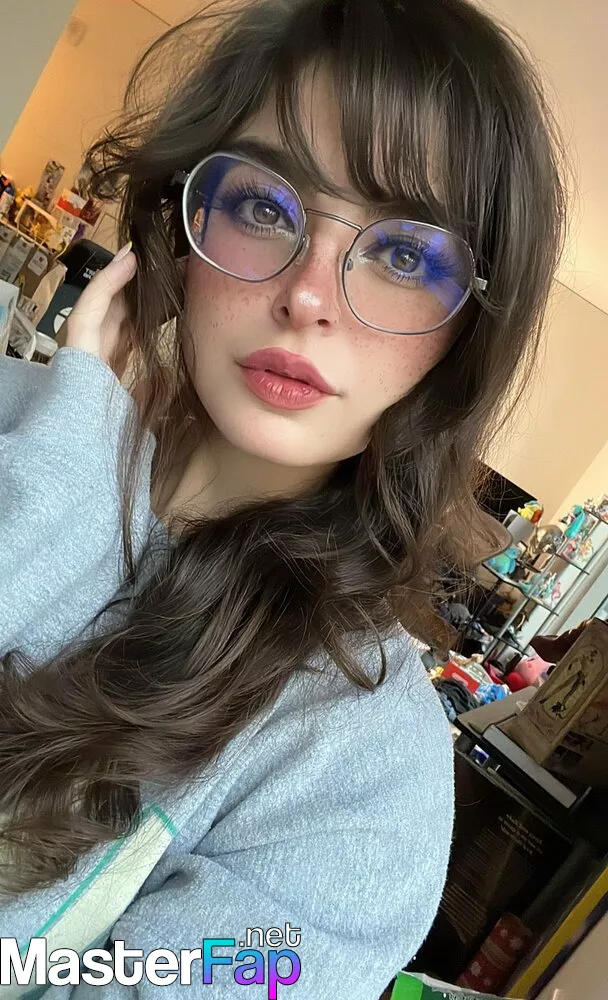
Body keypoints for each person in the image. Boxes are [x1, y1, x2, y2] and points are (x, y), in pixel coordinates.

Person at [0, 0, 566, 995]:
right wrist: (61, 489)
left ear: (465, 336)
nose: (308, 294)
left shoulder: (363, 770)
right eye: (265, 206)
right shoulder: (20, 425)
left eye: (403, 255)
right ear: (183, 224)